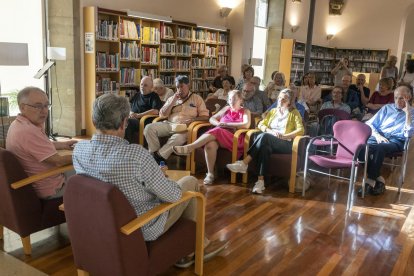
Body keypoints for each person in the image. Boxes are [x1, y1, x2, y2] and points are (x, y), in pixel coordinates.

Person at [72, 93, 227, 267]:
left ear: (94, 121)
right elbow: (173, 196)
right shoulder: (136, 155)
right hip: (142, 225)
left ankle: (191, 246)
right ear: (124, 122)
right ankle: (194, 248)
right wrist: (158, 176)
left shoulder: (79, 150)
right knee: (189, 183)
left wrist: (150, 175)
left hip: (103, 221)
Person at [226, 89, 304, 194]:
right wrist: (270, 131)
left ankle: (244, 163)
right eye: (279, 98)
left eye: (284, 99)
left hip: (286, 143)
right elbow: (261, 124)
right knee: (264, 147)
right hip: (269, 139)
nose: (280, 100)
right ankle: (260, 182)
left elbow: (301, 130)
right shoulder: (273, 112)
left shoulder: (294, 113)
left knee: (264, 137)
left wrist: (285, 136)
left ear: (289, 101)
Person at [6, 87, 76, 199]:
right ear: (22, 107)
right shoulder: (28, 131)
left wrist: (63, 144)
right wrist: (86, 154)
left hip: (43, 179)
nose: (44, 111)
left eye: (46, 105)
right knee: (95, 176)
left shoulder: (19, 124)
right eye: (38, 106)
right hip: (52, 187)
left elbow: (39, 146)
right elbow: (59, 161)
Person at [173, 90, 251, 185]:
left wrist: (227, 124)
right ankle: (210, 174)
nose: (231, 101)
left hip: (235, 138)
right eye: (230, 99)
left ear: (241, 100)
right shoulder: (226, 108)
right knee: (210, 145)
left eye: (234, 99)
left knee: (217, 130)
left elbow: (246, 125)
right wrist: (218, 123)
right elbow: (211, 119)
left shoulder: (245, 111)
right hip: (220, 135)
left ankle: (190, 147)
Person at [359, 85, 414, 196]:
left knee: (380, 148)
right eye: (396, 98)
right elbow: (370, 123)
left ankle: (370, 181)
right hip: (379, 136)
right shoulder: (387, 108)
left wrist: (408, 113)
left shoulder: (412, 113)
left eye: (402, 98)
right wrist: (378, 136)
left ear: (409, 97)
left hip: (397, 140)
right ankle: (378, 179)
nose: (398, 101)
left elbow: (408, 134)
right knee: (360, 147)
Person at [144, 75, 209, 164]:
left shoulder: (197, 99)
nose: (179, 89)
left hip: (185, 128)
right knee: (148, 128)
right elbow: (162, 114)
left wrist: (194, 119)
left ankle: (158, 157)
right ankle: (155, 154)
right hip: (169, 124)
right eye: (177, 87)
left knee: (178, 138)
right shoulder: (172, 98)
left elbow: (205, 116)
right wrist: (173, 101)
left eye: (182, 86)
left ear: (188, 86)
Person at [124, 76, 163, 144]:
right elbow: (129, 106)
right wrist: (130, 113)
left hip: (143, 121)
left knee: (128, 122)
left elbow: (156, 111)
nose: (142, 87)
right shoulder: (137, 94)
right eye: (141, 84)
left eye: (145, 85)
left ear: (151, 87)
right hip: (133, 118)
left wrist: (139, 115)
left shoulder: (154, 96)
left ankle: (127, 145)